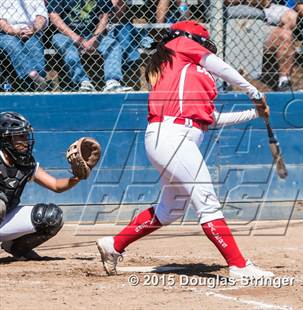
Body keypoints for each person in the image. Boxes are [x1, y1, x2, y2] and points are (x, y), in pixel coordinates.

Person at [96, 21, 275, 279]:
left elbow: (209, 118)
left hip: (175, 138)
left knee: (172, 209)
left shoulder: (185, 72)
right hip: (172, 136)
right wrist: (253, 91)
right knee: (207, 202)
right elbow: (221, 66)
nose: (204, 51)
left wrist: (253, 113)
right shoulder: (177, 46)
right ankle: (238, 265)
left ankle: (114, 245)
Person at [0, 112, 83, 260]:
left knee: (51, 217)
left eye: (26, 136)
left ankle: (15, 247)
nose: (25, 140)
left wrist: (77, 177)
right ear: (5, 138)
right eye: (20, 136)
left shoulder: (26, 162)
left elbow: (56, 185)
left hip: (4, 219)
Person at [47, 0, 132, 91]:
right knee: (64, 45)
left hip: (91, 34)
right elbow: (53, 16)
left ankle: (112, 83)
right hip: (65, 35)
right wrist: (76, 37)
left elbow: (105, 15)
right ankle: (83, 83)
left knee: (113, 44)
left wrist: (95, 37)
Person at [225, 0, 298, 91]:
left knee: (287, 29)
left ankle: (284, 81)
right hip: (224, 18)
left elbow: (265, 2)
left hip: (262, 15)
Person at [0, 0, 49, 91]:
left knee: (34, 48)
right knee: (13, 45)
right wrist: (13, 31)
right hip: (7, 32)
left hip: (32, 31)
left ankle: (39, 80)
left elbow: (42, 17)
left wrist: (33, 29)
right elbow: (1, 21)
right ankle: (32, 74)